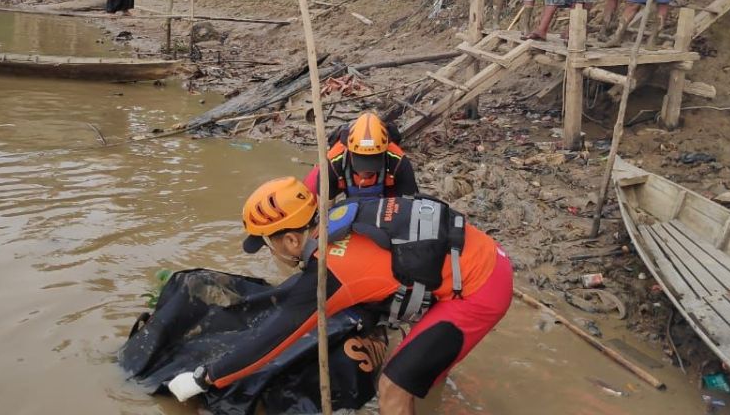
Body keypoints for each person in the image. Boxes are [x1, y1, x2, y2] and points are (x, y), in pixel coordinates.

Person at [166, 178, 514, 415]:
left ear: (290, 240)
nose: (271, 252)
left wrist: (205, 377)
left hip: (479, 290)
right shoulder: (340, 215)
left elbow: (271, 340)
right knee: (421, 368)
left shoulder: (332, 271)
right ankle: (438, 391)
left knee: (392, 386)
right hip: (478, 252)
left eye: (268, 244)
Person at [304, 111, 419, 202]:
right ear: (349, 151)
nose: (366, 170)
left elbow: (410, 204)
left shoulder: (398, 160)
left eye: (372, 160)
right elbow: (325, 212)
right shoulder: (333, 162)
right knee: (312, 188)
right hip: (340, 178)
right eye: (362, 161)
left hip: (386, 191)